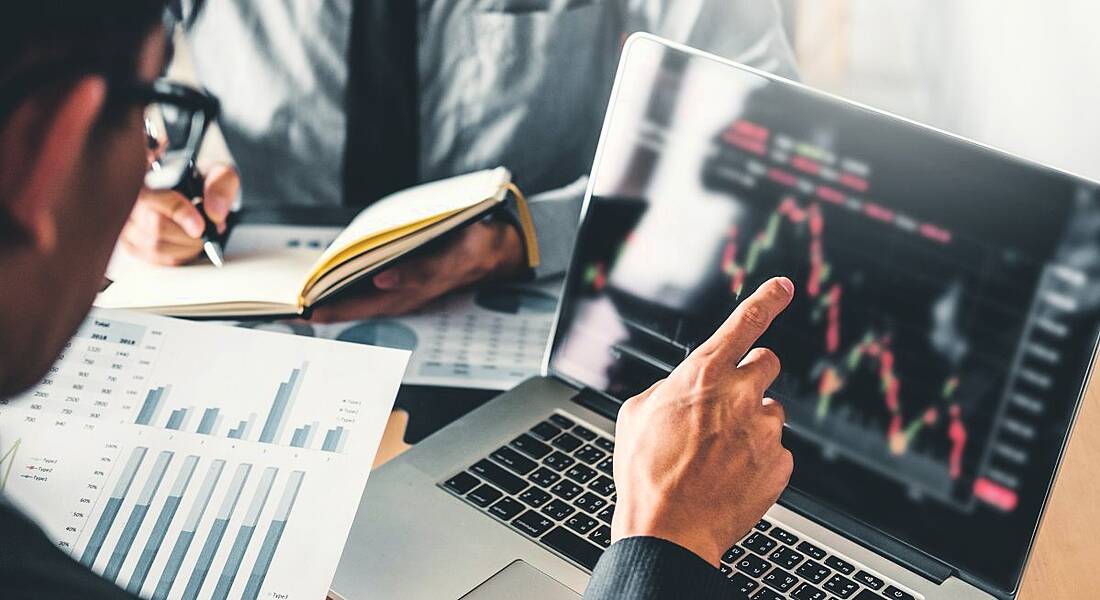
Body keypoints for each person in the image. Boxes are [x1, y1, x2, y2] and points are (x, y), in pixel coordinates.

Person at [0, 5, 792, 599]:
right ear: (47, 149)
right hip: (272, 327)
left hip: (546, 328)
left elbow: (766, 125)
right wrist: (659, 556)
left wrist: (529, 230)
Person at [120, 0, 799, 322]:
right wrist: (127, 173)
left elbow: (759, 142)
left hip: (547, 291)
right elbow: (82, 68)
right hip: (260, 293)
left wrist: (529, 235)